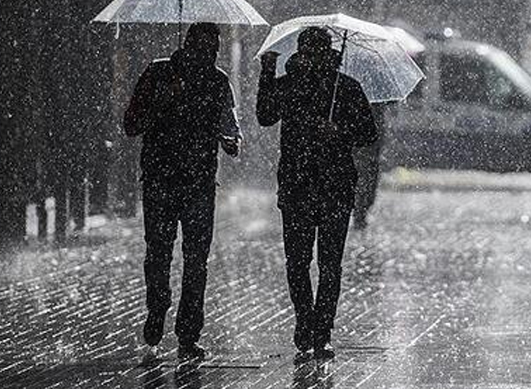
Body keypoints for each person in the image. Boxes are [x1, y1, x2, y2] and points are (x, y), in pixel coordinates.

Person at [257, 28, 378, 360]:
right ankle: (304, 321)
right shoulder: (289, 84)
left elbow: (368, 133)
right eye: (307, 53)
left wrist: (338, 131)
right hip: (297, 185)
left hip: (335, 186)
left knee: (329, 264)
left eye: (318, 53)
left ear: (329, 54)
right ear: (300, 53)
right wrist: (267, 73)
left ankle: (322, 331)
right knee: (297, 263)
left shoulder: (347, 88)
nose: (312, 59)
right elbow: (265, 116)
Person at [123, 23, 241, 362]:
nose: (209, 56)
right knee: (158, 252)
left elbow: (230, 128)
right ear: (188, 45)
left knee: (196, 261)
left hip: (200, 184)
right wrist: (162, 101)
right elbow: (131, 124)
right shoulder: (158, 74)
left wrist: (230, 141)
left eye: (214, 50)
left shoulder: (218, 82)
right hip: (161, 180)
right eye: (204, 48)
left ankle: (189, 333)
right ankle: (158, 306)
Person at [352, 103, 388, 230]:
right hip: (361, 148)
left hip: (372, 149)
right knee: (364, 181)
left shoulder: (378, 105)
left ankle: (361, 210)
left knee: (369, 183)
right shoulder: (355, 101)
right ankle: (359, 211)